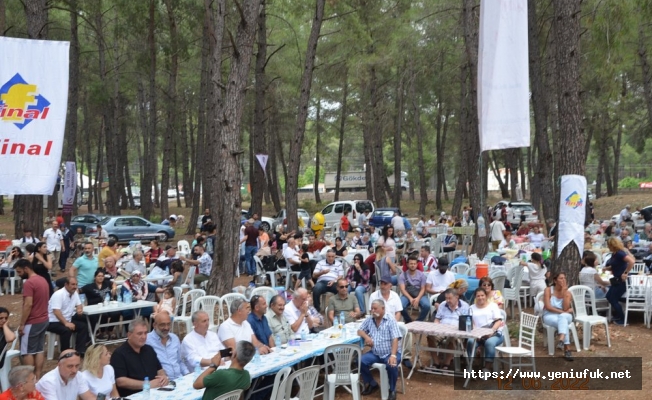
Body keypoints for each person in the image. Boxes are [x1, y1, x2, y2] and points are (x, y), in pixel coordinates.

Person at [111, 319, 169, 397]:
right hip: (134, 395)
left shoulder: (149, 349)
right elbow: (121, 381)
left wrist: (163, 377)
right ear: (129, 335)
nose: (143, 337)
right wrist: (147, 384)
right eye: (139, 334)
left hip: (156, 392)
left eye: (145, 333)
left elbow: (159, 369)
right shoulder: (119, 354)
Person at [358, 299, 403, 400]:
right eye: (372, 309)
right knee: (360, 361)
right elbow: (360, 330)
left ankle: (392, 390)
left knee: (391, 365)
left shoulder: (390, 320)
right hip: (375, 353)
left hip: (390, 352)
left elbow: (395, 338)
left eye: (375, 309)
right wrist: (367, 337)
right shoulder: (370, 319)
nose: (373, 311)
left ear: (383, 309)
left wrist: (393, 355)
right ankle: (372, 384)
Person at [13, 259, 49, 378]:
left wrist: (22, 324)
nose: (18, 274)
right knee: (39, 349)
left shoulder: (29, 283)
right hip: (44, 319)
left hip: (32, 321)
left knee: (27, 351)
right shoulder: (42, 279)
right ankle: (37, 376)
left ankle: (30, 378)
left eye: (19, 271)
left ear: (26, 269)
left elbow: (28, 304)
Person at [428, 288, 470, 369]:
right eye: (446, 298)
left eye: (449, 298)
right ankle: (436, 362)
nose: (447, 300)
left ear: (456, 297)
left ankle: (446, 363)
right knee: (430, 336)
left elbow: (468, 322)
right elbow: (437, 319)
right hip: (442, 330)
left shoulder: (465, 306)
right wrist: (436, 326)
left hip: (456, 331)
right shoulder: (443, 305)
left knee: (453, 337)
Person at [46, 277, 89, 356]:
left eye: (76, 284)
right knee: (66, 330)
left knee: (83, 326)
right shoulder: (58, 294)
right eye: (72, 284)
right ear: (66, 285)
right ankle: (65, 353)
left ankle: (80, 350)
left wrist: (79, 309)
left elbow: (79, 304)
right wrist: (66, 323)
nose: (75, 287)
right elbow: (56, 311)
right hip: (53, 321)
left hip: (67, 319)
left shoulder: (74, 293)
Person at [466, 288, 504, 372]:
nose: (480, 298)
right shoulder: (471, 308)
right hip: (478, 334)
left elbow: (498, 321)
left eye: (482, 295)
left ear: (486, 296)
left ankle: (487, 367)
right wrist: (476, 334)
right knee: (470, 342)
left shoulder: (493, 306)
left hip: (493, 333)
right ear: (475, 297)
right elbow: (471, 322)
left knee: (489, 342)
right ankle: (470, 365)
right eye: (478, 296)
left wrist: (491, 332)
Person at [542, 272, 574, 361]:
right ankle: (567, 349)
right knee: (563, 323)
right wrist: (562, 312)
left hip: (565, 316)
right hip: (550, 315)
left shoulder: (567, 293)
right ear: (555, 280)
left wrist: (564, 293)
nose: (563, 280)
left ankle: (561, 340)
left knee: (563, 318)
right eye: (561, 278)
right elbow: (548, 307)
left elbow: (566, 307)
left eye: (564, 278)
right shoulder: (548, 290)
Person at [146, 311, 188, 380]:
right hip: (162, 384)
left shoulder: (174, 338)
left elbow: (180, 362)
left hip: (180, 379)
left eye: (168, 324)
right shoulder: (147, 340)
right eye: (162, 325)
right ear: (154, 325)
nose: (166, 328)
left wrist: (187, 374)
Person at [80, 269, 119, 340]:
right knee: (103, 315)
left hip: (108, 306)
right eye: (99, 276)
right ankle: (100, 332)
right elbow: (79, 290)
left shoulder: (107, 283)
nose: (101, 277)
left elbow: (113, 283)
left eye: (102, 276)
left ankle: (110, 330)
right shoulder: (89, 286)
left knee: (116, 313)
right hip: (95, 307)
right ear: (95, 277)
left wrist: (114, 288)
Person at [604, 237, 634, 325]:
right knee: (609, 296)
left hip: (622, 280)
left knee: (612, 298)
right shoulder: (615, 254)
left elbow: (631, 261)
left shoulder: (620, 253)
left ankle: (622, 318)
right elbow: (616, 265)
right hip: (616, 279)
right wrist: (607, 268)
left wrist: (625, 273)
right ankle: (618, 314)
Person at [399, 255, 429, 322]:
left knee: (427, 306)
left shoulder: (421, 275)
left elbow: (423, 288)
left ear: (417, 264)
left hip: (419, 294)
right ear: (407, 264)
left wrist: (418, 299)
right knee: (400, 306)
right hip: (407, 294)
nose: (413, 265)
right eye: (411, 264)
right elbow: (402, 289)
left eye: (414, 264)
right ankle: (408, 321)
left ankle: (418, 322)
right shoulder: (403, 275)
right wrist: (410, 298)